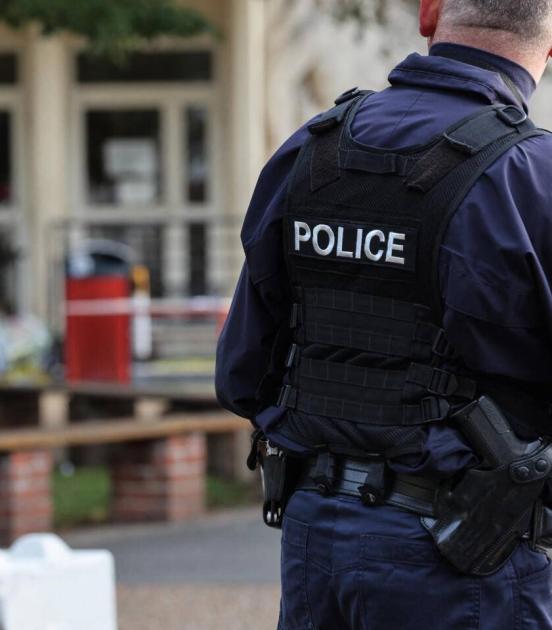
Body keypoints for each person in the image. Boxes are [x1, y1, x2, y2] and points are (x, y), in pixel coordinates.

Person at [215, 1, 552, 627]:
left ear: (429, 13)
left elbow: (241, 374)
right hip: (466, 557)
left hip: (317, 540)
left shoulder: (312, 150)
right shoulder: (534, 178)